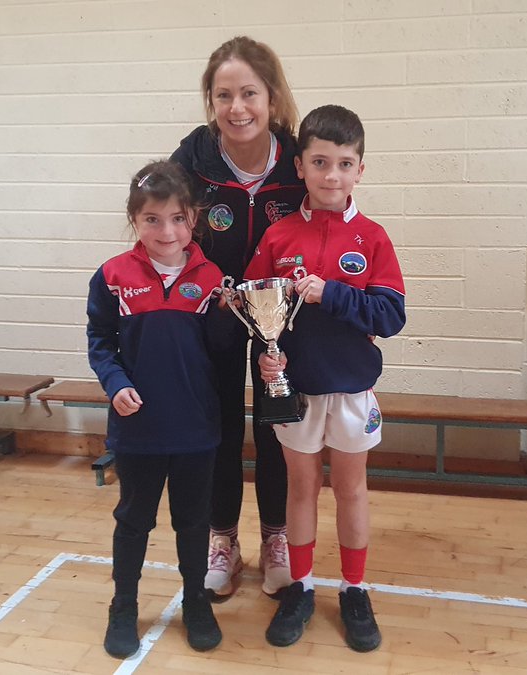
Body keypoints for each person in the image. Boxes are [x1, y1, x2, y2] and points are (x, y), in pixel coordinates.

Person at [244, 105, 406, 653]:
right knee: (301, 489)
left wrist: (330, 294)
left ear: (360, 169)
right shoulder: (278, 235)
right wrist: (268, 355)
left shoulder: (373, 238)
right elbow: (255, 308)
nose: (331, 175)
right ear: (301, 166)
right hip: (297, 391)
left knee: (352, 490)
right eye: (320, 162)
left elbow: (391, 317)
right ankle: (303, 587)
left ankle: (355, 590)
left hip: (353, 390)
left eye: (344, 163)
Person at [171, 36, 307, 600]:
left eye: (249, 93)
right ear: (210, 101)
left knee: (277, 425)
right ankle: (222, 538)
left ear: (271, 97)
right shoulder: (194, 159)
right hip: (216, 321)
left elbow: (325, 230)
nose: (237, 108)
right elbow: (172, 238)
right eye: (223, 94)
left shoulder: (299, 160)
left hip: (283, 323)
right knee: (220, 427)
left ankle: (277, 535)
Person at [86, 160, 227, 658]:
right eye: (152, 219)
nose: (166, 231)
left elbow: (223, 352)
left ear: (193, 218)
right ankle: (123, 605)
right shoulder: (111, 277)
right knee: (133, 520)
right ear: (134, 220)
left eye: (177, 219)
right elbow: (100, 342)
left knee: (193, 522)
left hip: (196, 428)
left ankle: (196, 602)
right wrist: (115, 382)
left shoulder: (213, 280)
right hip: (138, 429)